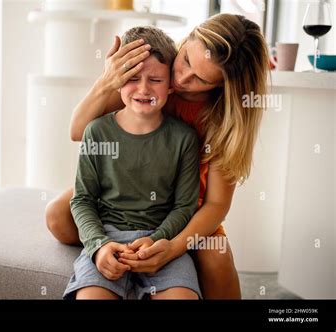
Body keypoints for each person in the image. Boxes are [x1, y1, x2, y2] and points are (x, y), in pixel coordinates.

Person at [47, 13, 270, 299]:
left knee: (216, 257)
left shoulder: (224, 121)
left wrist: (171, 248)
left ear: (222, 87)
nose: (181, 77)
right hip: (127, 192)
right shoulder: (151, 77)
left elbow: (215, 204)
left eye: (200, 78)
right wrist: (107, 80)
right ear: (187, 39)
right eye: (187, 60)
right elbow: (79, 131)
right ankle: (114, 256)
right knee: (57, 214)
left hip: (188, 205)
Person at [64, 26, 201, 300]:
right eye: (133, 77)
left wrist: (156, 239)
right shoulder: (97, 131)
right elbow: (82, 200)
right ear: (117, 79)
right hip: (108, 237)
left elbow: (184, 206)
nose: (143, 88)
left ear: (171, 85)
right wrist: (99, 245)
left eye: (155, 79)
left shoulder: (184, 137)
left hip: (161, 242)